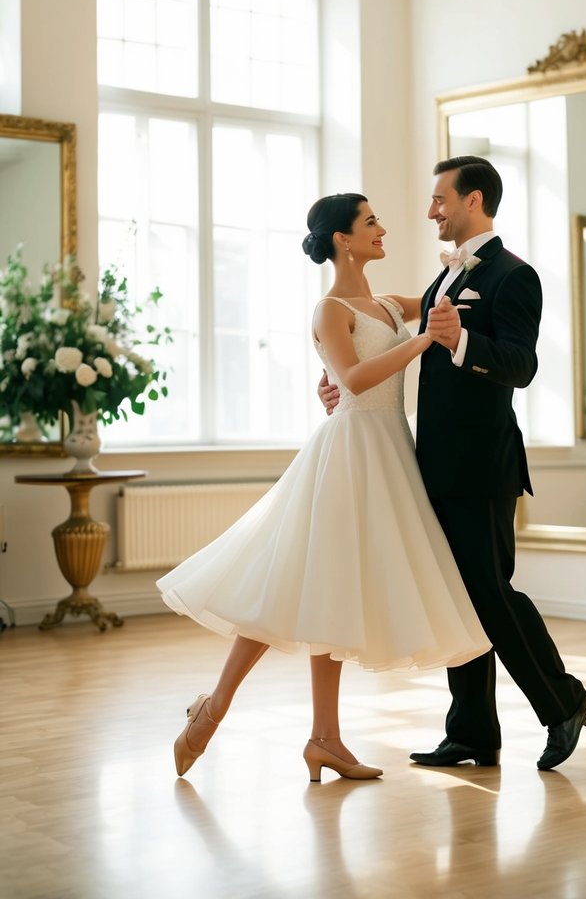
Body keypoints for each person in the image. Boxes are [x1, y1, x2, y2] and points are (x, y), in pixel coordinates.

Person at [157, 193, 489, 783]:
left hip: (388, 451)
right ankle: (213, 709)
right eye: (370, 222)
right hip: (348, 453)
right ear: (342, 238)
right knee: (288, 591)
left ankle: (325, 738)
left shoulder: (387, 304)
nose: (382, 229)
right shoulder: (328, 308)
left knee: (328, 596)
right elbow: (356, 380)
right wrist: (422, 343)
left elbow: (447, 296)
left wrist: (464, 261)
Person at [321, 157, 586, 771]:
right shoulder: (442, 281)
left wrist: (459, 341)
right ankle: (472, 732)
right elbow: (370, 330)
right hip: (433, 462)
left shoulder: (515, 277)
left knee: (491, 593)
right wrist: (336, 378)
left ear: (473, 200)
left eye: (439, 200)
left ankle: (563, 701)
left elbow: (521, 367)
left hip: (483, 463)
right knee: (457, 596)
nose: (429, 212)